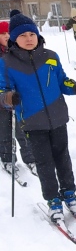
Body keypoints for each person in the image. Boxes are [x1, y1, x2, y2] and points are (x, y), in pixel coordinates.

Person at [0, 13, 76, 221]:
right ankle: (53, 200)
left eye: (32, 33)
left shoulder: (51, 56)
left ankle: (69, 194)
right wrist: (8, 98)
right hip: (32, 123)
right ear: (14, 38)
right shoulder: (6, 63)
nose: (29, 38)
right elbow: (1, 92)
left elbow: (62, 82)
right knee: (44, 163)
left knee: (63, 159)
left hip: (58, 118)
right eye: (22, 35)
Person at [0, 17, 36, 177]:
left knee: (23, 130)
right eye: (2, 33)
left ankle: (31, 159)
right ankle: (8, 160)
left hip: (18, 97)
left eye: (8, 32)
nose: (6, 36)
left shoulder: (16, 50)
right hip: (2, 99)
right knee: (5, 130)